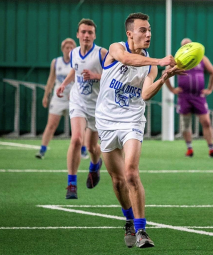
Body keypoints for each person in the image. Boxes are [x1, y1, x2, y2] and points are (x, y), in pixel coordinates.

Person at [95, 12, 182, 248]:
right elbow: (127, 60)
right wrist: (160, 61)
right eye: (143, 30)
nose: (148, 34)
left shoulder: (150, 66)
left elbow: (145, 94)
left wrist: (163, 77)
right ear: (129, 33)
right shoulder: (115, 49)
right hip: (106, 122)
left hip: (132, 120)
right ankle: (128, 221)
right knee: (117, 181)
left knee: (131, 173)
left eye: (150, 30)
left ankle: (142, 231)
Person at [55, 19, 106, 199]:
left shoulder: (101, 54)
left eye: (90, 32)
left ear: (94, 35)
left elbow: (113, 75)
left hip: (97, 106)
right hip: (78, 101)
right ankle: (71, 184)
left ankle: (95, 165)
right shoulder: (74, 52)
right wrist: (64, 84)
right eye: (83, 32)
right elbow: (74, 71)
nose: (86, 35)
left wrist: (95, 75)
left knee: (91, 147)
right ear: (77, 34)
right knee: (76, 139)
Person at [164, 38, 213, 158]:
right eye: (184, 46)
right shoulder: (177, 61)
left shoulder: (201, 58)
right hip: (184, 96)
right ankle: (189, 148)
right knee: (185, 124)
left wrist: (210, 89)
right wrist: (172, 89)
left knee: (206, 122)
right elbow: (165, 74)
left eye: (189, 45)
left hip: (198, 96)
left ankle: (211, 149)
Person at [36, 38, 89, 160]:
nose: (69, 50)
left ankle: (83, 150)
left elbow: (82, 80)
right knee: (51, 124)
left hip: (74, 99)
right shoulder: (56, 62)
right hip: (58, 98)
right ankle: (42, 150)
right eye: (67, 48)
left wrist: (76, 92)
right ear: (62, 49)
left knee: (80, 126)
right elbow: (51, 80)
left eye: (71, 48)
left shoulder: (78, 61)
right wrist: (46, 95)